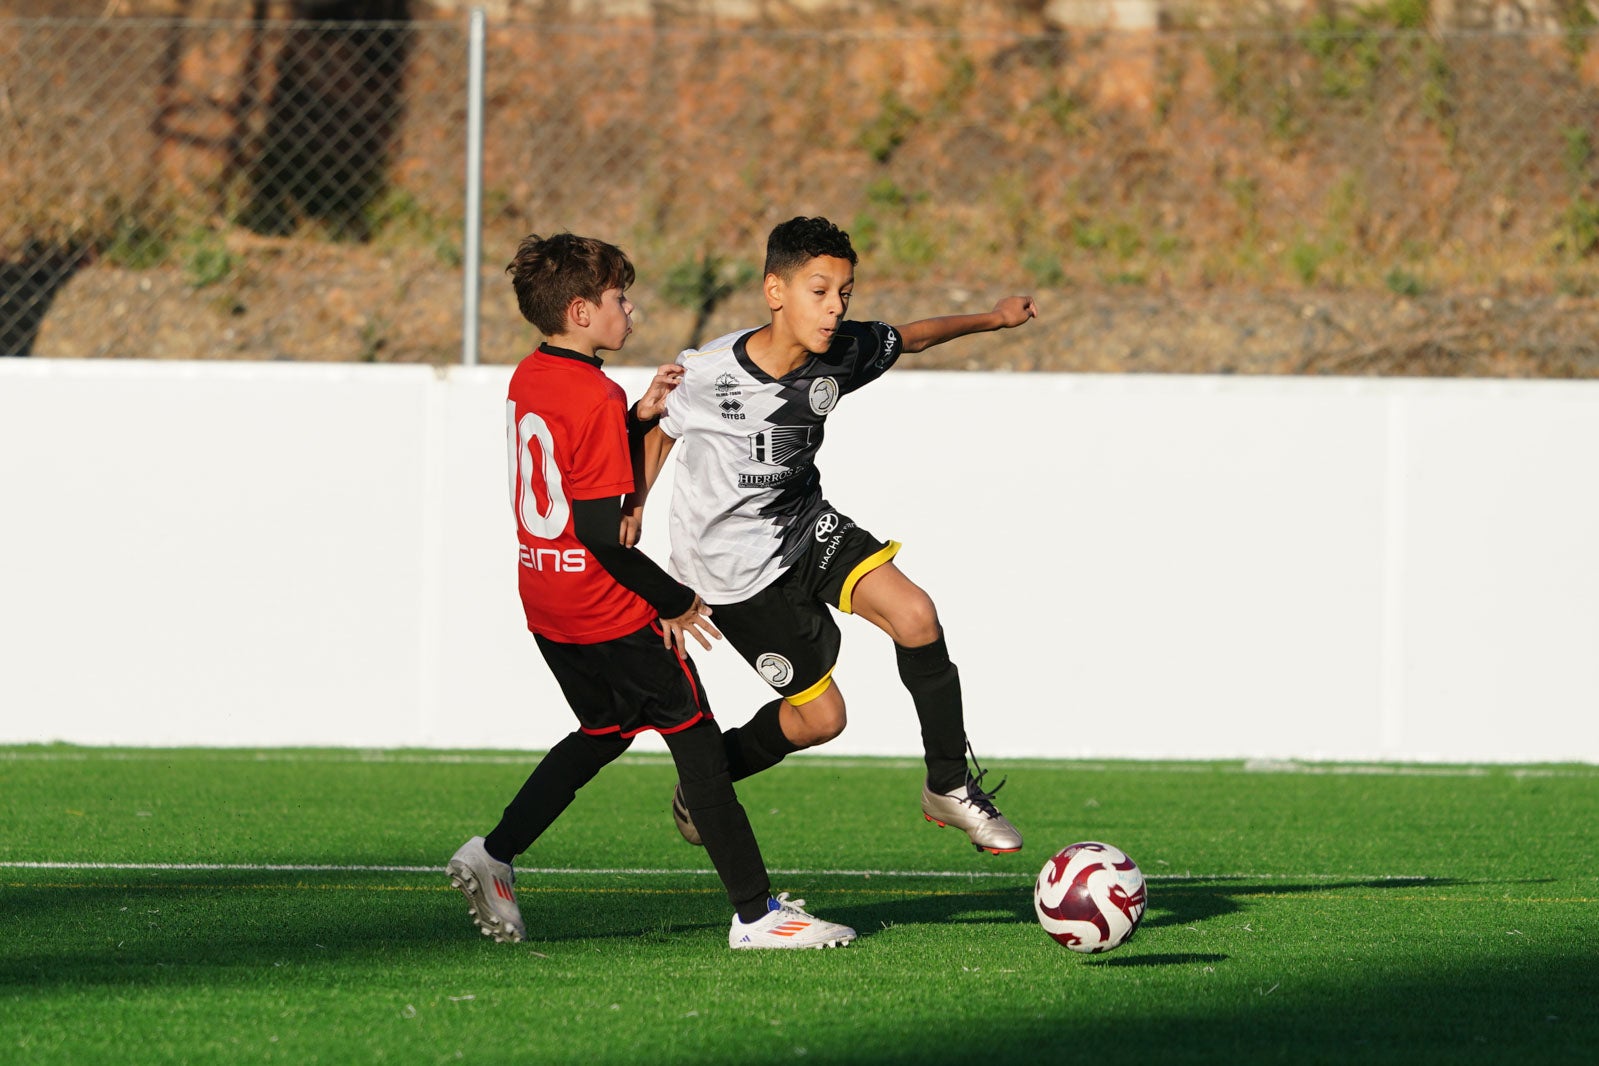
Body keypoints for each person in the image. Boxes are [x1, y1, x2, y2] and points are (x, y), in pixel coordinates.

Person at [447, 232, 855, 950]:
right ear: (580, 311)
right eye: (617, 300)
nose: (628, 311)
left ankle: (495, 853)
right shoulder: (594, 393)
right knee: (696, 741)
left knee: (603, 731)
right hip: (606, 605)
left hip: (545, 599)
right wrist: (674, 600)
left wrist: (635, 418)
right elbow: (606, 531)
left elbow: (575, 465)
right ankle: (758, 916)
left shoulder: (530, 378)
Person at [637, 216, 1037, 855]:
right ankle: (708, 773)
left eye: (844, 292)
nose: (835, 308)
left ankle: (949, 785)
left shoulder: (840, 353)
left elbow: (909, 338)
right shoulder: (710, 373)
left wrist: (992, 320)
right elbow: (658, 428)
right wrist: (631, 517)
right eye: (819, 291)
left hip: (805, 524)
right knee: (822, 720)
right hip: (735, 573)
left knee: (917, 616)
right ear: (775, 291)